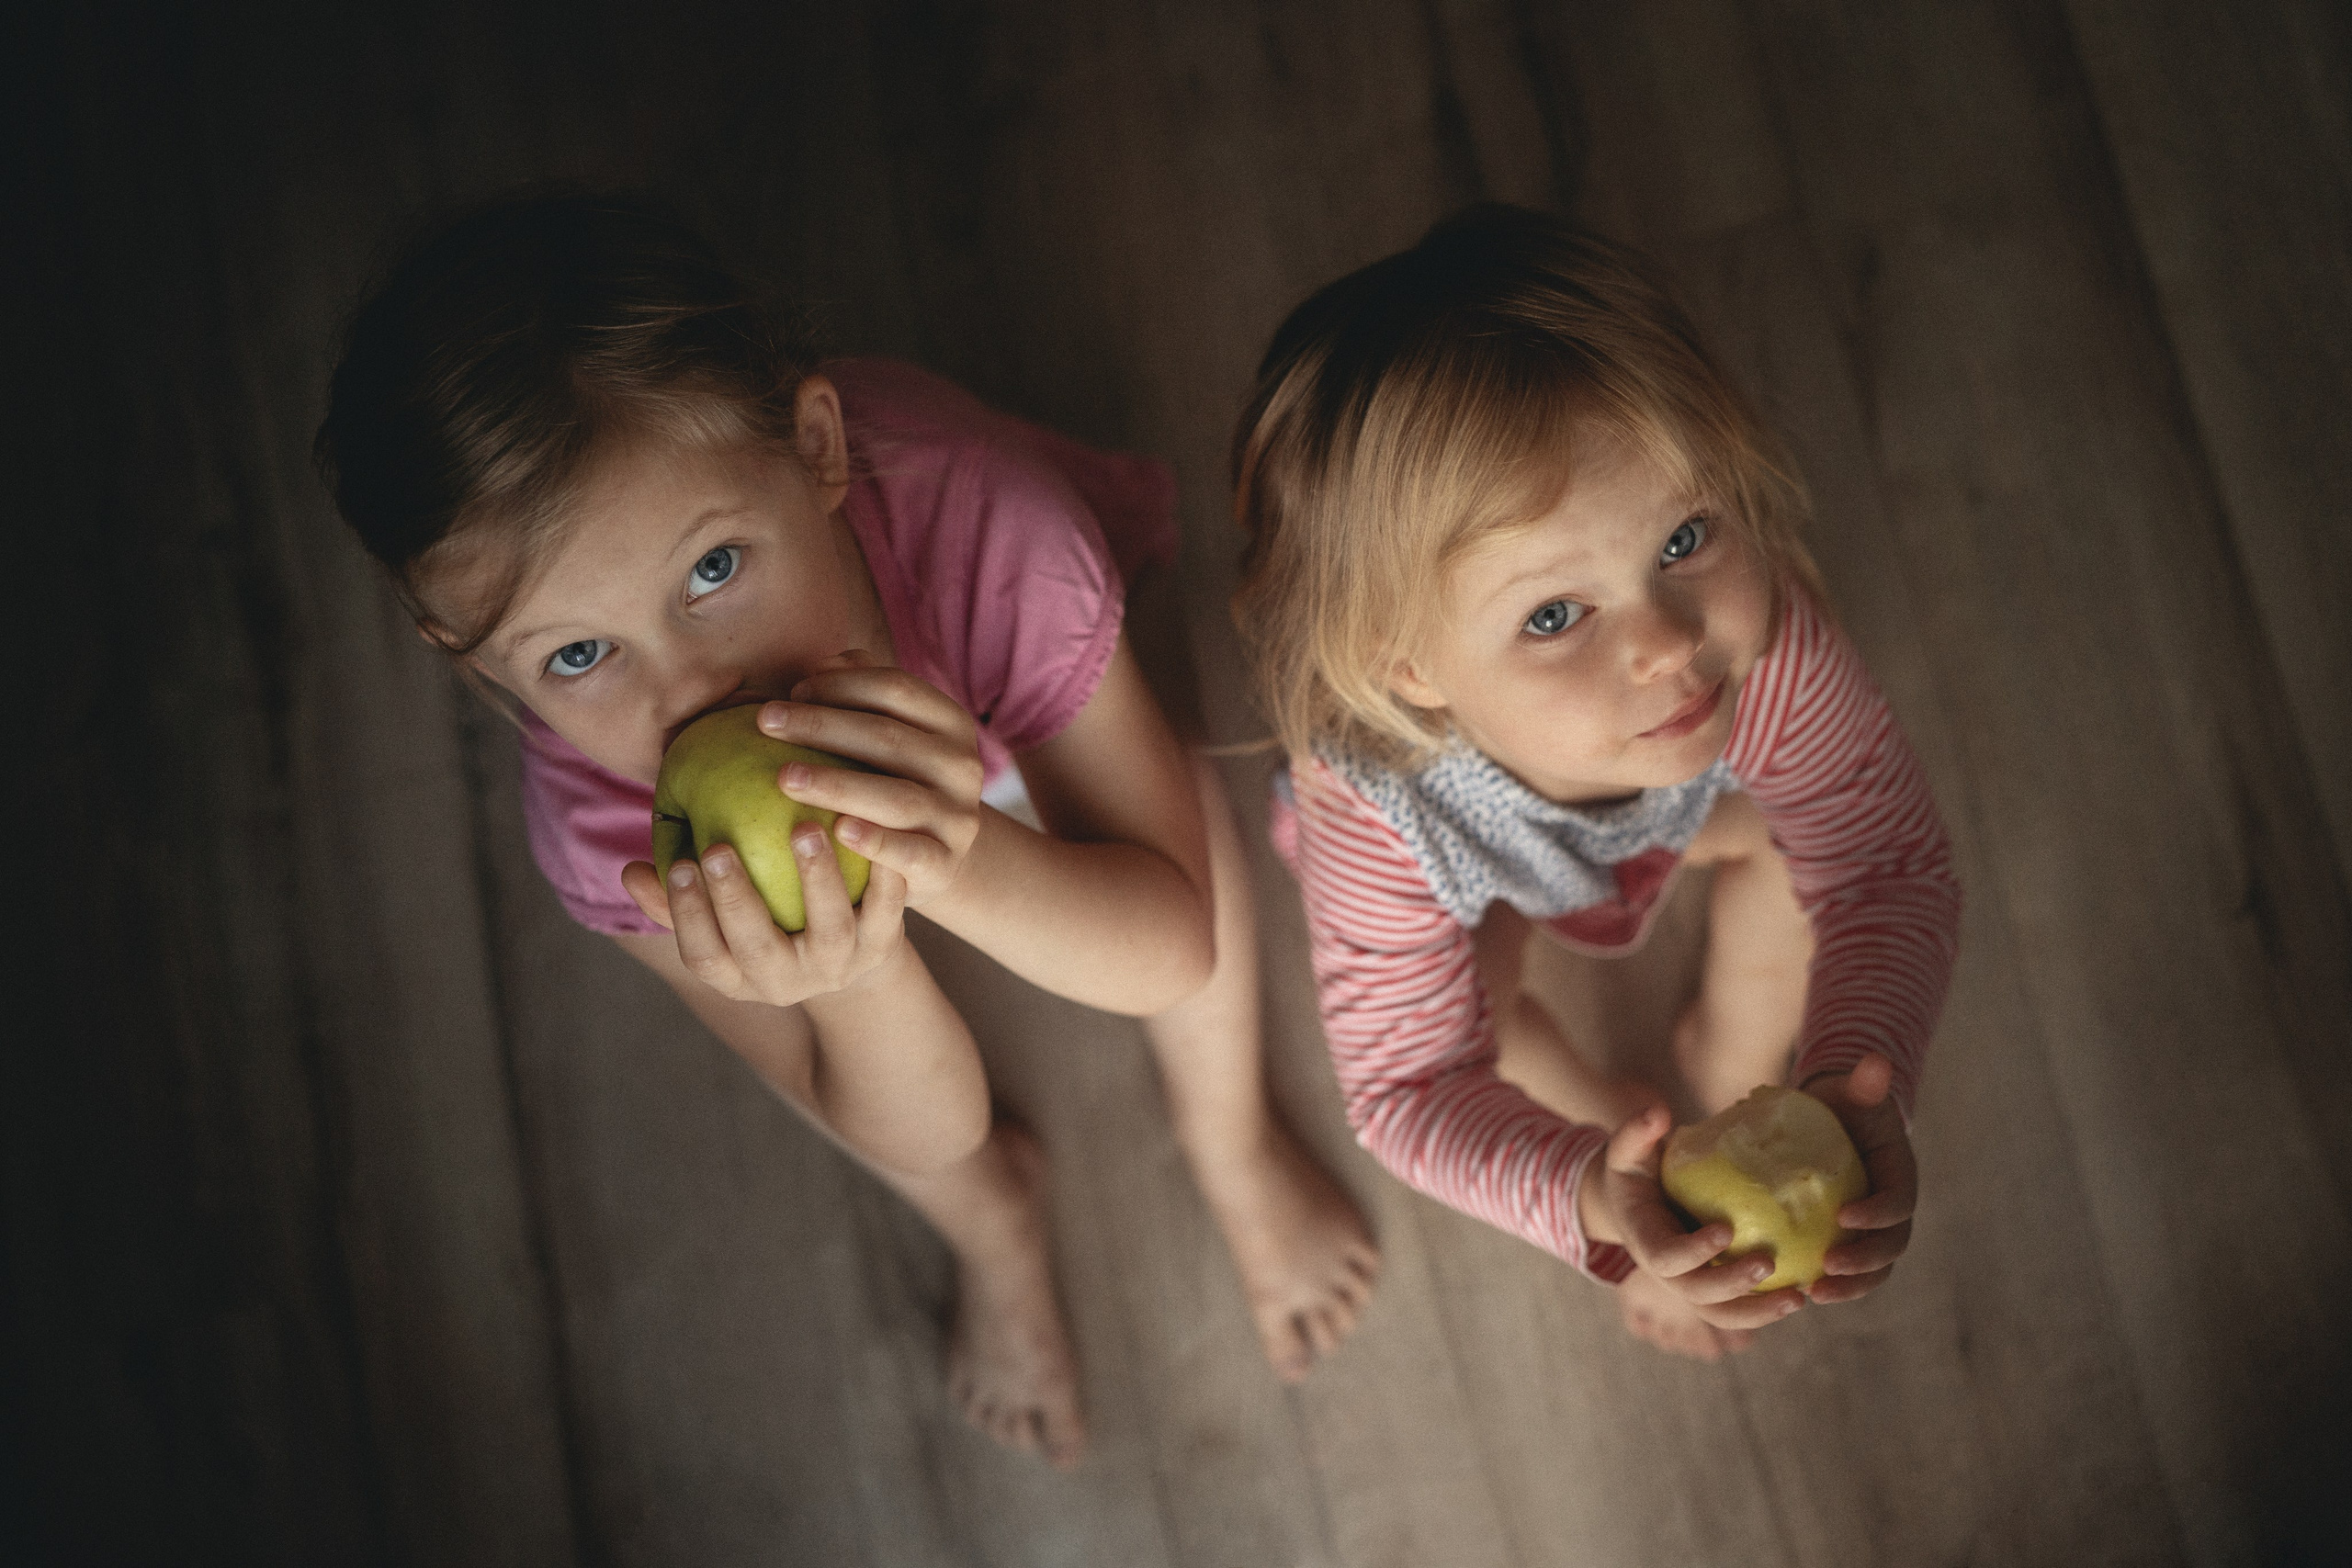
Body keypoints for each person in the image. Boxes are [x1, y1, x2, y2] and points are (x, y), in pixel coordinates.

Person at [314, 194, 1378, 1469]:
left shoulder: (997, 536)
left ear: (816, 449)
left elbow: (1170, 939)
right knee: (858, 1100)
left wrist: (967, 854)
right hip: (866, 914)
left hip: (984, 691)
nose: (690, 693)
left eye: (713, 569)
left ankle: (1230, 1133)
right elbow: (898, 1117)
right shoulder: (609, 825)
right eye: (580, 653)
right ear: (479, 664)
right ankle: (995, 1224)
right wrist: (858, 973)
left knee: (1169, 818)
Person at [1228, 205, 1960, 1361]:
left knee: (1786, 846)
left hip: (1670, 823)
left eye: (1682, 538)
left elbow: (1880, 865)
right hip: (1489, 884)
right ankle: (1620, 1119)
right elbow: (1413, 1085)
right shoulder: (1369, 810)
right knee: (1479, 996)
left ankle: (1738, 1053)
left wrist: (1847, 1083)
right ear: (1410, 670)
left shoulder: (1758, 650)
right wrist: (1591, 1192)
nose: (1669, 644)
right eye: (1555, 615)